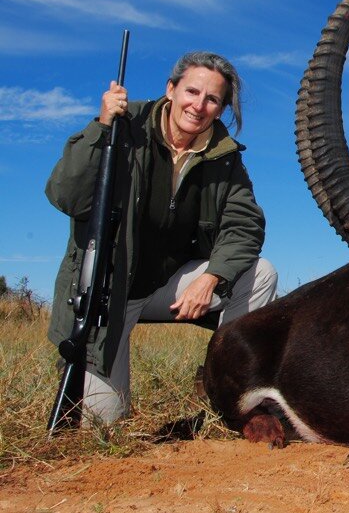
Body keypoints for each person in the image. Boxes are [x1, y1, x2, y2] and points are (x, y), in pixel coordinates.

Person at [47, 51, 278, 424]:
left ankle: (230, 389)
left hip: (169, 288)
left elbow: (245, 225)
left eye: (212, 99)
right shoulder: (124, 124)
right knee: (101, 423)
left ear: (220, 110)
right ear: (170, 90)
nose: (198, 105)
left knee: (261, 273)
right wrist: (102, 126)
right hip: (111, 295)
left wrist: (210, 277)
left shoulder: (224, 156)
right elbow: (65, 196)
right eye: (191, 91)